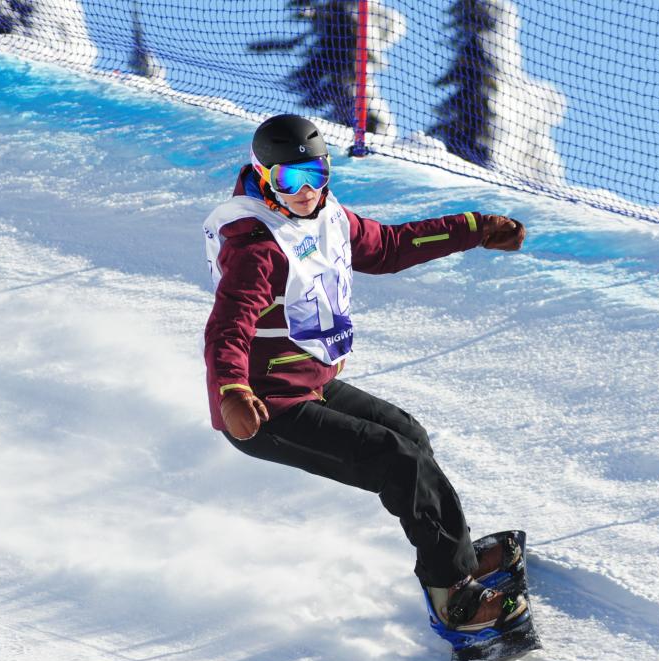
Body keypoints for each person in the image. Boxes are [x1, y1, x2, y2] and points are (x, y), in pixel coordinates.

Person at [202, 114, 527, 632]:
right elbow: (227, 328)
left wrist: (475, 229)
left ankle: (458, 558)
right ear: (264, 178)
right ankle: (453, 600)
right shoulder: (254, 246)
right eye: (290, 180)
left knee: (410, 437)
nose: (306, 190)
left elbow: (391, 246)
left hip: (313, 383)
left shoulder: (328, 217)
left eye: (316, 173)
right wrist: (232, 392)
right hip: (266, 410)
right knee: (396, 461)